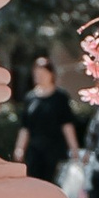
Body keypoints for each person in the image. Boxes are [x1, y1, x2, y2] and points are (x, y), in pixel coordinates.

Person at [14, 56, 76, 187]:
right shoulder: (30, 98)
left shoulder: (60, 97)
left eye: (42, 73)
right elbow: (25, 127)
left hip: (54, 151)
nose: (39, 77)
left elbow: (67, 125)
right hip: (35, 151)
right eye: (36, 73)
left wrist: (74, 148)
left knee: (53, 186)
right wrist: (19, 148)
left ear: (51, 74)